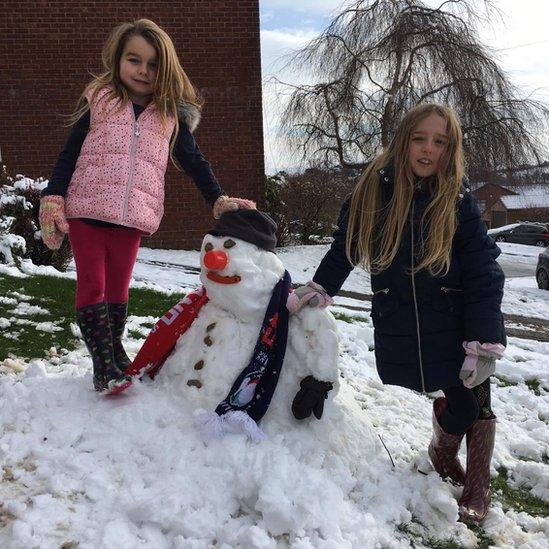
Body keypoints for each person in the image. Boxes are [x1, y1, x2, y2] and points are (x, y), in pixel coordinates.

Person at [287, 104, 506, 524]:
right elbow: (346, 246)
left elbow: (483, 270)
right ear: (403, 141)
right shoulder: (373, 191)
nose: (428, 150)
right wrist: (321, 286)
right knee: (454, 403)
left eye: (440, 142)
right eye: (419, 139)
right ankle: (443, 455)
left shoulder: (457, 202)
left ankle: (476, 483)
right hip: (404, 317)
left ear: (451, 149)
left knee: (472, 402)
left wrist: (483, 335)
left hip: (458, 321)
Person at [39, 19, 255, 394]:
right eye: (133, 60)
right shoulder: (101, 99)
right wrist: (53, 195)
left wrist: (216, 198)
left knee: (119, 289)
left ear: (165, 68)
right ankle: (103, 365)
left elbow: (194, 160)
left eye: (152, 64)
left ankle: (114, 348)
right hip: (87, 209)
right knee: (93, 284)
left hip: (134, 216)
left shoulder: (170, 114)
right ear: (118, 60)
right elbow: (69, 152)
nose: (142, 70)